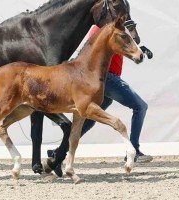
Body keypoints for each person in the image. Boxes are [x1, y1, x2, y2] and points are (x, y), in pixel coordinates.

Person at [48, 25, 153, 177]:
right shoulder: (101, 29)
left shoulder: (113, 29)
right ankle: (134, 150)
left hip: (108, 78)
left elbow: (128, 45)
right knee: (140, 107)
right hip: (107, 78)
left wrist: (140, 49)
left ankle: (57, 154)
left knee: (87, 120)